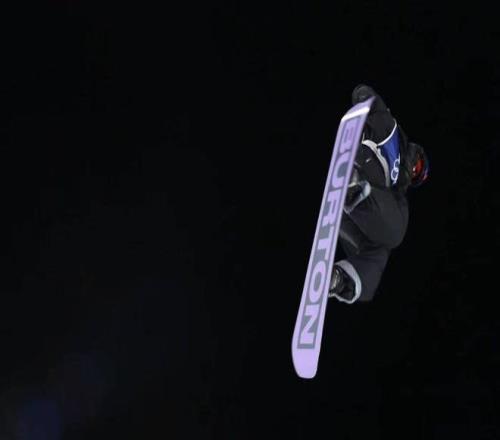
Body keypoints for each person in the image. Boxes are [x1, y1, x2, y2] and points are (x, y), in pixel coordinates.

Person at [328, 84, 429, 304]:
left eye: (416, 175)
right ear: (415, 152)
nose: (413, 170)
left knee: (381, 249)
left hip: (354, 213)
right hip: (361, 173)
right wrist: (365, 99)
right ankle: (354, 189)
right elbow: (365, 95)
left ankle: (341, 280)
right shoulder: (393, 135)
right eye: (418, 165)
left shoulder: (395, 192)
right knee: (395, 233)